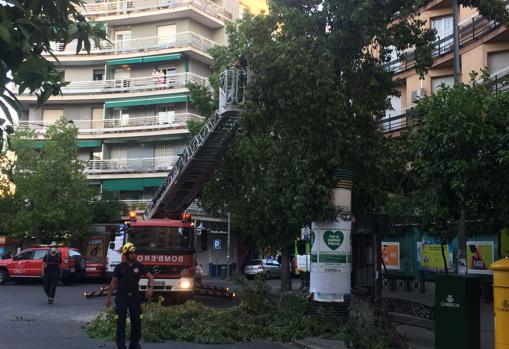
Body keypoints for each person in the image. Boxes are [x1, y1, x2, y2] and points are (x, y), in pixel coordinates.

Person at [105, 242, 154, 349]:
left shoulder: (139, 266)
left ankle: (134, 344)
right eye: (132, 253)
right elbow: (114, 283)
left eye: (135, 253)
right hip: (121, 298)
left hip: (135, 297)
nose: (135, 255)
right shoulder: (119, 267)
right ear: (126, 255)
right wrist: (108, 297)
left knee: (137, 321)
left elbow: (150, 276)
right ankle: (121, 345)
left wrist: (150, 288)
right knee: (120, 322)